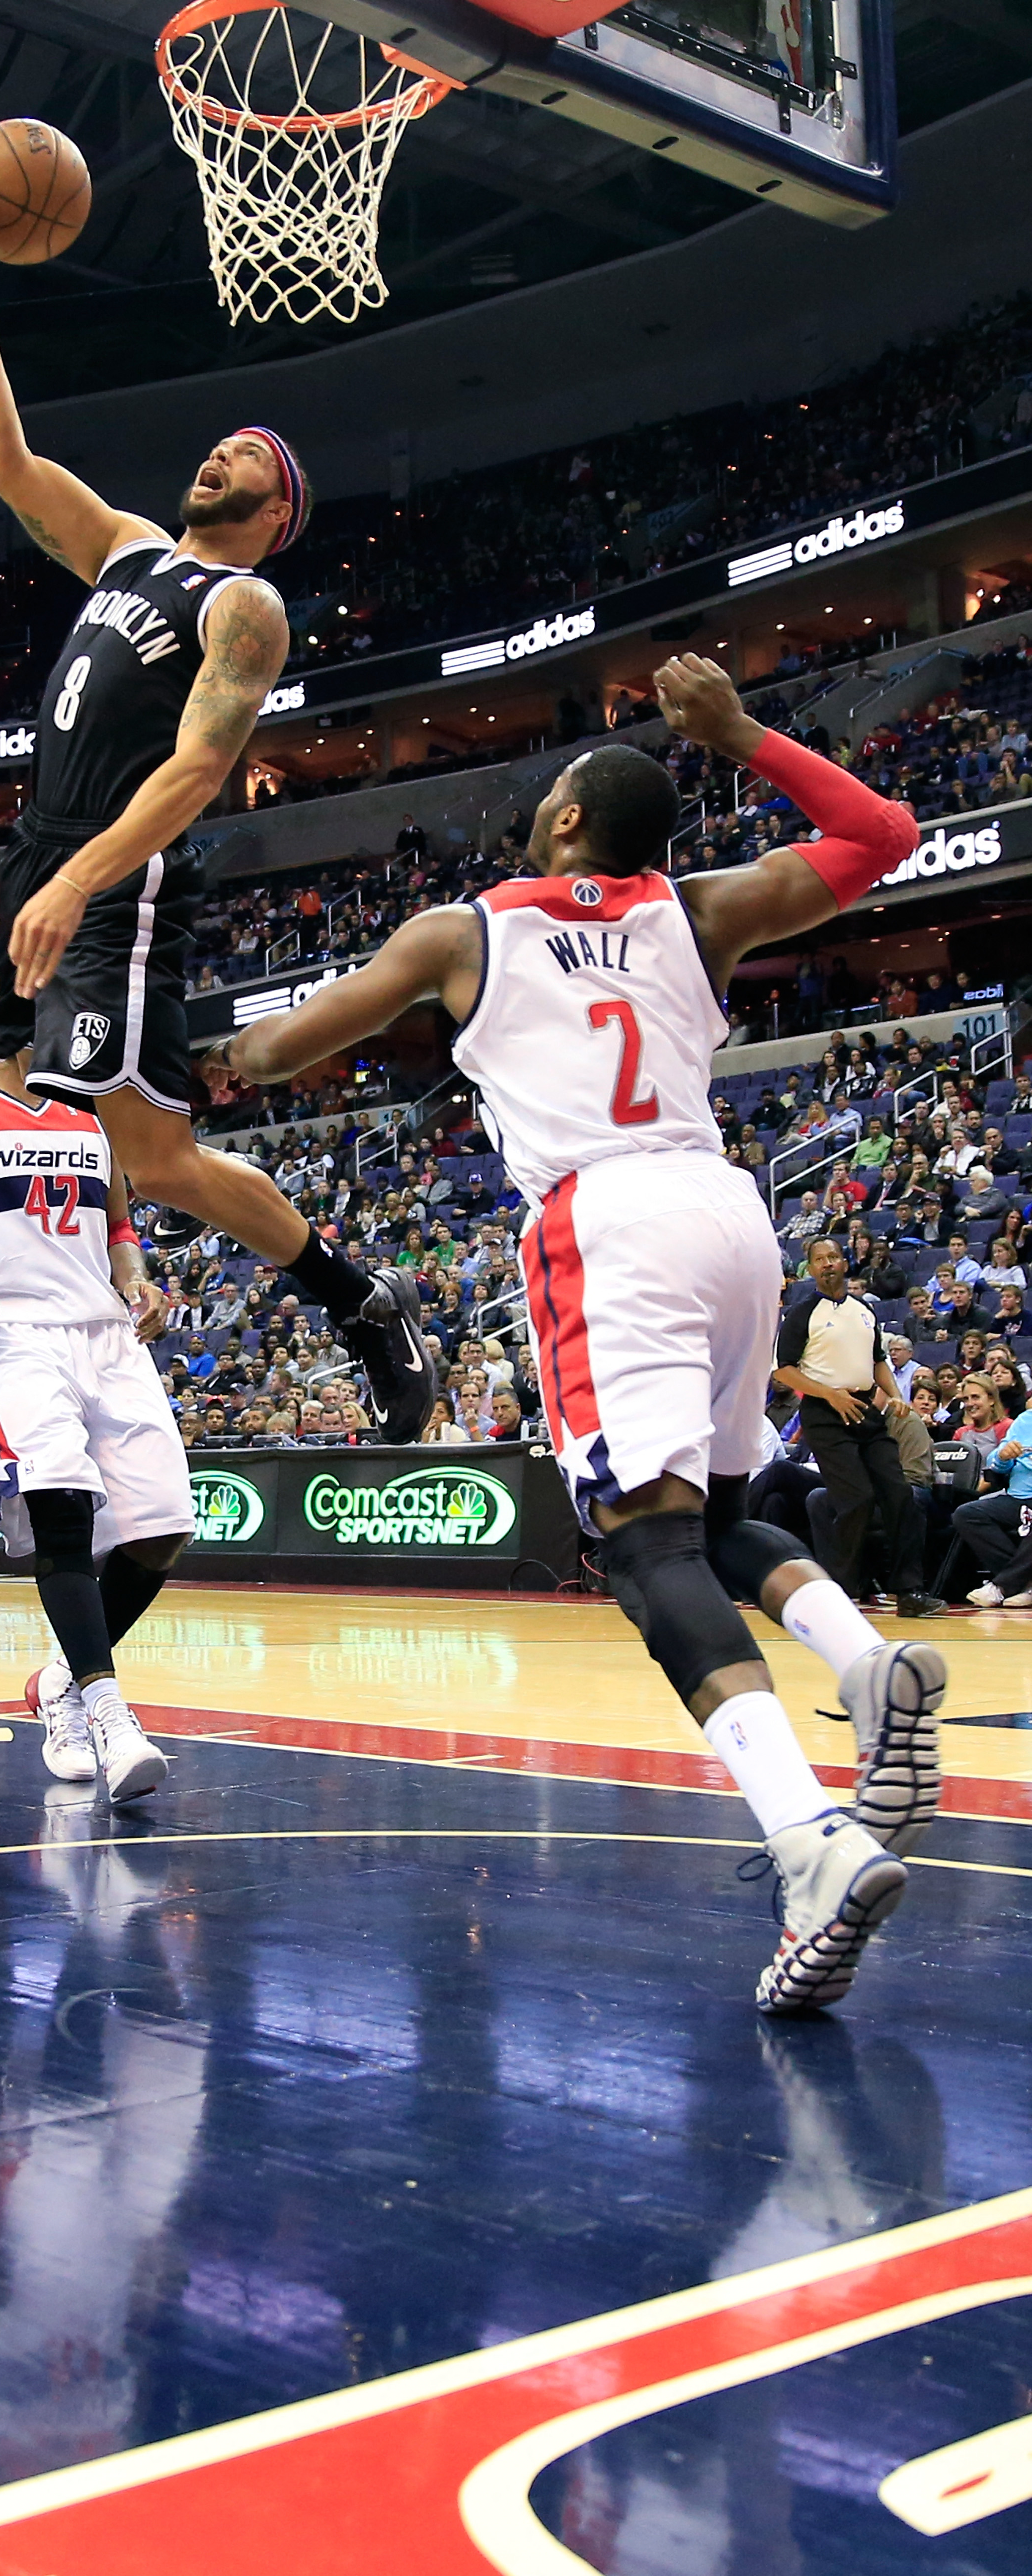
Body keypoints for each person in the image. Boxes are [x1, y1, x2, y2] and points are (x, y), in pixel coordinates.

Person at [199, 651, 945, 2015]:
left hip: (604, 1224)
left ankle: (806, 1838)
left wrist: (227, 1058)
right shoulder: (701, 910)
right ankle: (871, 1662)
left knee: (642, 1546)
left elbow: (290, 1052)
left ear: (558, 822)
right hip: (728, 1209)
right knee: (722, 1513)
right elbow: (886, 837)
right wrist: (741, 730)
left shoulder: (460, 930)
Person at [0, 174, 434, 1448]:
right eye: (222, 446)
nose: (221, 454)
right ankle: (276, 1308)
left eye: (247, 461)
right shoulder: (134, 549)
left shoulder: (241, 609)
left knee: (139, 1155)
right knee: (54, 1117)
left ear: (273, 515)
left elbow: (196, 772)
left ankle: (351, 1300)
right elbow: (4, 460)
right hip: (44, 857)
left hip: (116, 884)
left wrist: (81, 877)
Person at [0, 994, 192, 1807]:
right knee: (59, 1510)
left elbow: (117, 1226)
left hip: (105, 1332)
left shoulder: (91, 1113)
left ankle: (58, 1678)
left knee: (163, 1531)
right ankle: (109, 1713)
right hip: (9, 1332)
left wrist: (137, 1281)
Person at [777, 1237, 944, 1617]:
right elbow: (784, 1369)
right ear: (812, 1269)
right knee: (857, 1499)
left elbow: (878, 1360)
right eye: (819, 1260)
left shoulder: (865, 1312)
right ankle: (840, 1591)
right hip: (825, 1412)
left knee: (900, 1495)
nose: (828, 1264)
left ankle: (909, 1592)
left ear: (845, 1262)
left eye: (833, 1257)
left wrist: (894, 1394)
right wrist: (830, 1395)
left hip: (866, 1408)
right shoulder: (803, 1314)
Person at [955, 1392, 1032, 1608]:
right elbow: (996, 1465)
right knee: (967, 1514)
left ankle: (1001, 1586)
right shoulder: (1026, 1420)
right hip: (1018, 1497)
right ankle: (1026, 1583)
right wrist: (1004, 1456)